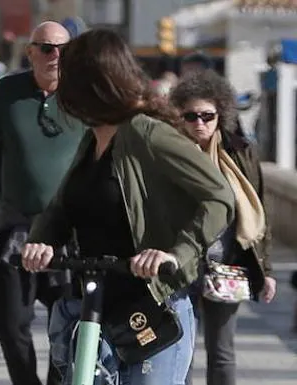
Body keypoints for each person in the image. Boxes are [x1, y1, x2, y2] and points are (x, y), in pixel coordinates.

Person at [21, 29, 235, 385]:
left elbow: (218, 196)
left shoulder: (146, 132)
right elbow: (63, 207)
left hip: (149, 309)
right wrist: (42, 240)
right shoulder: (91, 139)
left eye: (68, 75)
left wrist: (174, 254)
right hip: (92, 306)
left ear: (93, 82)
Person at [0, 21, 85, 385]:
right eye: (46, 48)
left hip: (70, 237)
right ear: (30, 52)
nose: (55, 55)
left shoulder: (86, 96)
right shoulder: (7, 92)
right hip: (16, 231)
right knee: (9, 325)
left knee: (71, 329)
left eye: (63, 49)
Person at [170, 69, 276, 385]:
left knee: (223, 353)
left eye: (207, 116)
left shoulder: (240, 153)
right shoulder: (165, 152)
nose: (199, 123)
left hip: (227, 264)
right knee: (178, 347)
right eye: (190, 116)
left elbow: (258, 210)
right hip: (178, 265)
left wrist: (266, 270)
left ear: (221, 115)